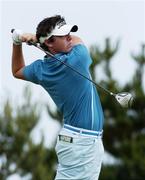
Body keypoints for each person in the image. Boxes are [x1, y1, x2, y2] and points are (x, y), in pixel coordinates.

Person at [11, 15, 104, 180]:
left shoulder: (42, 69)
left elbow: (17, 70)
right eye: (63, 35)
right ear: (50, 42)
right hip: (82, 142)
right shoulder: (78, 59)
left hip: (77, 141)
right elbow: (78, 40)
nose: (69, 37)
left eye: (68, 33)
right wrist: (36, 38)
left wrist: (17, 42)